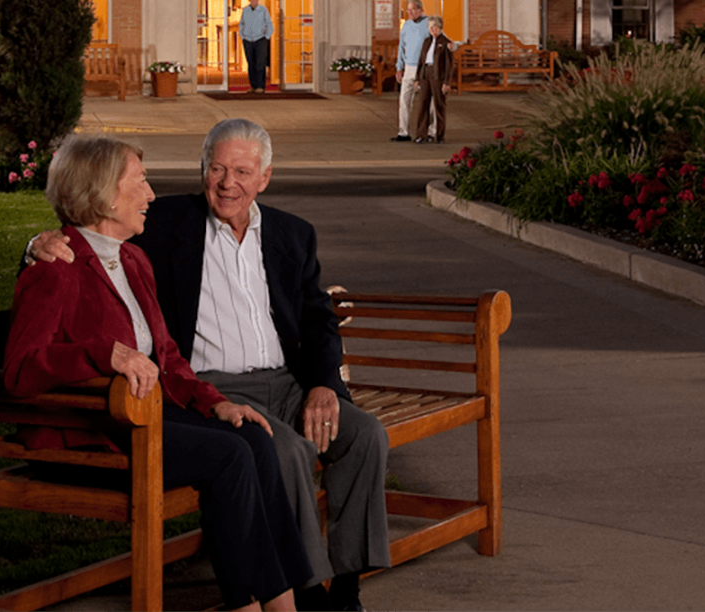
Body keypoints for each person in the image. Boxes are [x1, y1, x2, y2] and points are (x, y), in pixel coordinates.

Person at [27, 120, 391, 612]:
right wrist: (35, 246)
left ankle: (346, 587)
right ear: (203, 170)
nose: (227, 183)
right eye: (217, 169)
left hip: (285, 383)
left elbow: (318, 321)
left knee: (365, 435)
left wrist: (324, 385)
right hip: (209, 384)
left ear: (264, 177)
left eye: (242, 172)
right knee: (280, 448)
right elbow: (83, 234)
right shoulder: (160, 223)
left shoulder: (292, 234)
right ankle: (307, 592)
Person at [391, 1, 433, 142]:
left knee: (428, 100)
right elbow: (401, 47)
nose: (410, 13)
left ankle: (431, 132)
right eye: (408, 10)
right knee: (404, 100)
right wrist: (399, 67)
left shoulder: (429, 23)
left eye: (413, 9)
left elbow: (439, 41)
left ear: (421, 10)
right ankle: (403, 132)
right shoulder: (407, 25)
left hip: (424, 68)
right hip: (409, 67)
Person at [411, 16, 454, 144]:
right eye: (430, 27)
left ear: (440, 28)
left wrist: (447, 82)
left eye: (435, 26)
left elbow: (449, 65)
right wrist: (417, 78)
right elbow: (421, 61)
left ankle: (440, 136)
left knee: (439, 106)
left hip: (438, 77)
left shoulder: (446, 43)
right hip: (425, 74)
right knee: (423, 105)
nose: (432, 29)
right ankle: (421, 135)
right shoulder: (426, 41)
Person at [239, 0, 273, 93]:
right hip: (248, 40)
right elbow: (241, 24)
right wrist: (243, 36)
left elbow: (269, 24)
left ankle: (260, 86)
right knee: (251, 63)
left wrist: (266, 37)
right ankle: (253, 86)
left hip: (260, 39)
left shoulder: (263, 10)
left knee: (260, 63)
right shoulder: (245, 10)